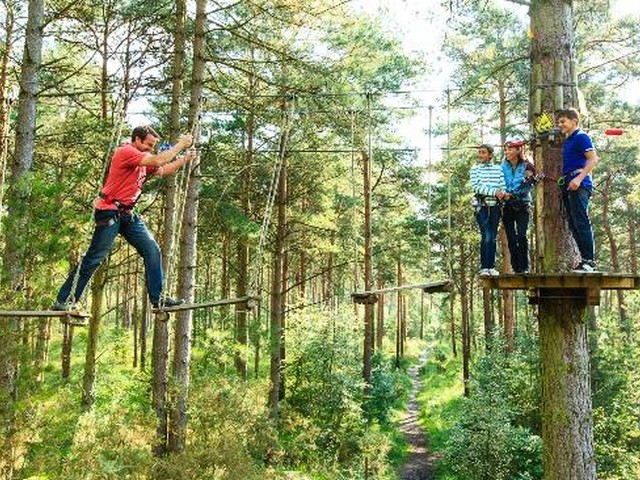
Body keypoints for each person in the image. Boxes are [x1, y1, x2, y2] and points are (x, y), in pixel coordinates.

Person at [53, 125, 195, 311]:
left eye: (153, 145)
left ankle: (158, 298)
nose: (150, 148)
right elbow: (160, 159)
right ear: (137, 139)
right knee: (95, 257)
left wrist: (185, 159)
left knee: (152, 250)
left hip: (127, 214)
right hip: (109, 211)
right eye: (148, 144)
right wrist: (181, 145)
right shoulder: (126, 151)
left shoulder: (143, 161)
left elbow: (163, 169)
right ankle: (64, 300)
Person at [556, 108, 598, 272]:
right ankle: (584, 259)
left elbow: (593, 159)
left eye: (563, 121)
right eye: (559, 122)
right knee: (573, 223)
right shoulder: (569, 140)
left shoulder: (581, 137)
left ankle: (590, 261)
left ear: (574, 120)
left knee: (581, 221)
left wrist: (579, 179)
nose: (560, 125)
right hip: (569, 183)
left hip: (579, 183)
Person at [470, 144, 506, 276]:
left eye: (483, 153)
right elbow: (476, 187)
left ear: (490, 155)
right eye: (479, 153)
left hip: (495, 206)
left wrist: (502, 193)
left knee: (493, 237)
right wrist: (493, 192)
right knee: (486, 235)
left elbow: (502, 185)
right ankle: (484, 266)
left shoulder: (498, 169)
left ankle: (491, 266)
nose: (480, 155)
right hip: (482, 206)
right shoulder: (475, 170)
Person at [501, 140, 537, 274]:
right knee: (511, 237)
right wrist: (504, 194)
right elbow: (499, 181)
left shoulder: (527, 166)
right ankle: (516, 268)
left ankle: (524, 267)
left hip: (522, 204)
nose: (507, 152)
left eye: (510, 149)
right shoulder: (503, 166)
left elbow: (530, 183)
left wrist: (515, 194)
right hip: (506, 205)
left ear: (518, 150)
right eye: (506, 149)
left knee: (521, 235)